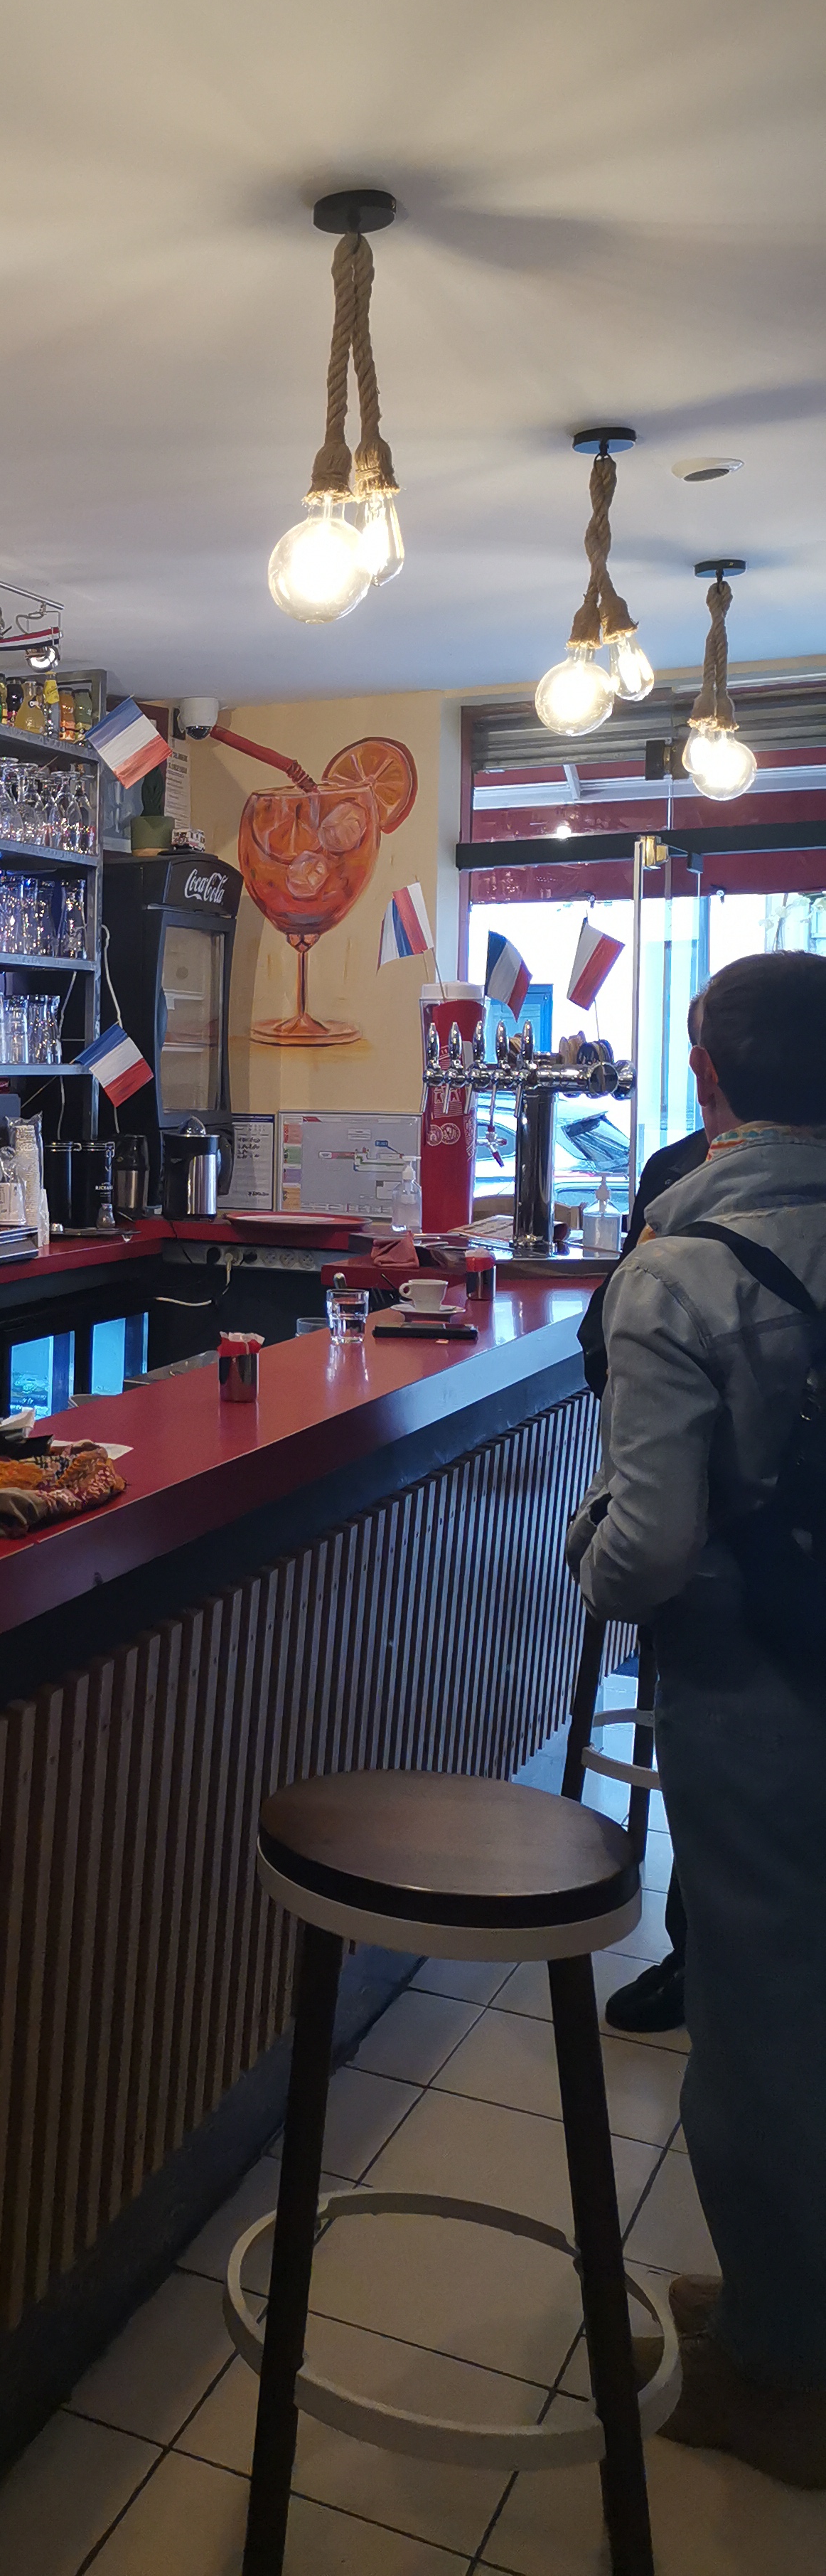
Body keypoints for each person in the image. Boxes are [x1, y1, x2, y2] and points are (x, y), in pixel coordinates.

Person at [568, 948, 826, 2486]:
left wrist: (585, 1553)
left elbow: (649, 1550)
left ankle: (783, 2369)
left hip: (757, 1686)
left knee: (765, 2012)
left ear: (710, 1077)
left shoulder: (683, 1267)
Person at [576, 999, 714, 2037]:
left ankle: (704, 1966)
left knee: (718, 1766)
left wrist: (600, 1540)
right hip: (729, 1560)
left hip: (711, 1553)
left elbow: (603, 1348)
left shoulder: (681, 1182)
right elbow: (601, 1341)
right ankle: (697, 1957)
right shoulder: (672, 1171)